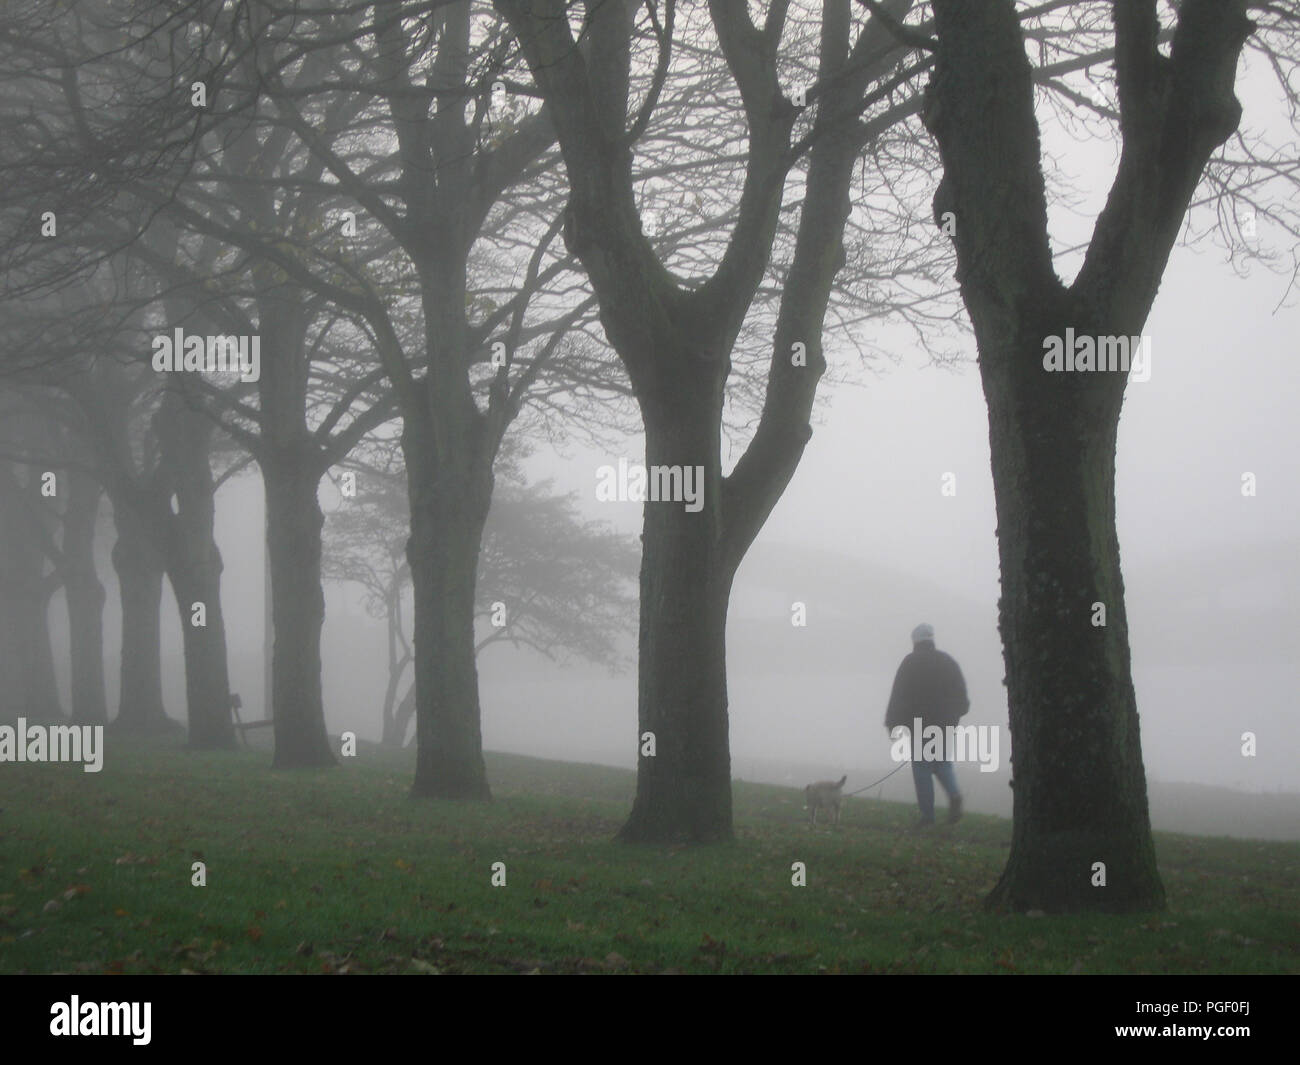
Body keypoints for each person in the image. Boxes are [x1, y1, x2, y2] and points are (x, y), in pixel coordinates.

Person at [884, 623, 969, 828]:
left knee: (921, 768)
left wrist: (892, 723)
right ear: (932, 639)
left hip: (920, 724)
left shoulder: (910, 663)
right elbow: (961, 696)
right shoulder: (947, 661)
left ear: (915, 641)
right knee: (941, 762)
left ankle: (927, 816)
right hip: (944, 724)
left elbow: (899, 694)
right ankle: (954, 793)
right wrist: (955, 714)